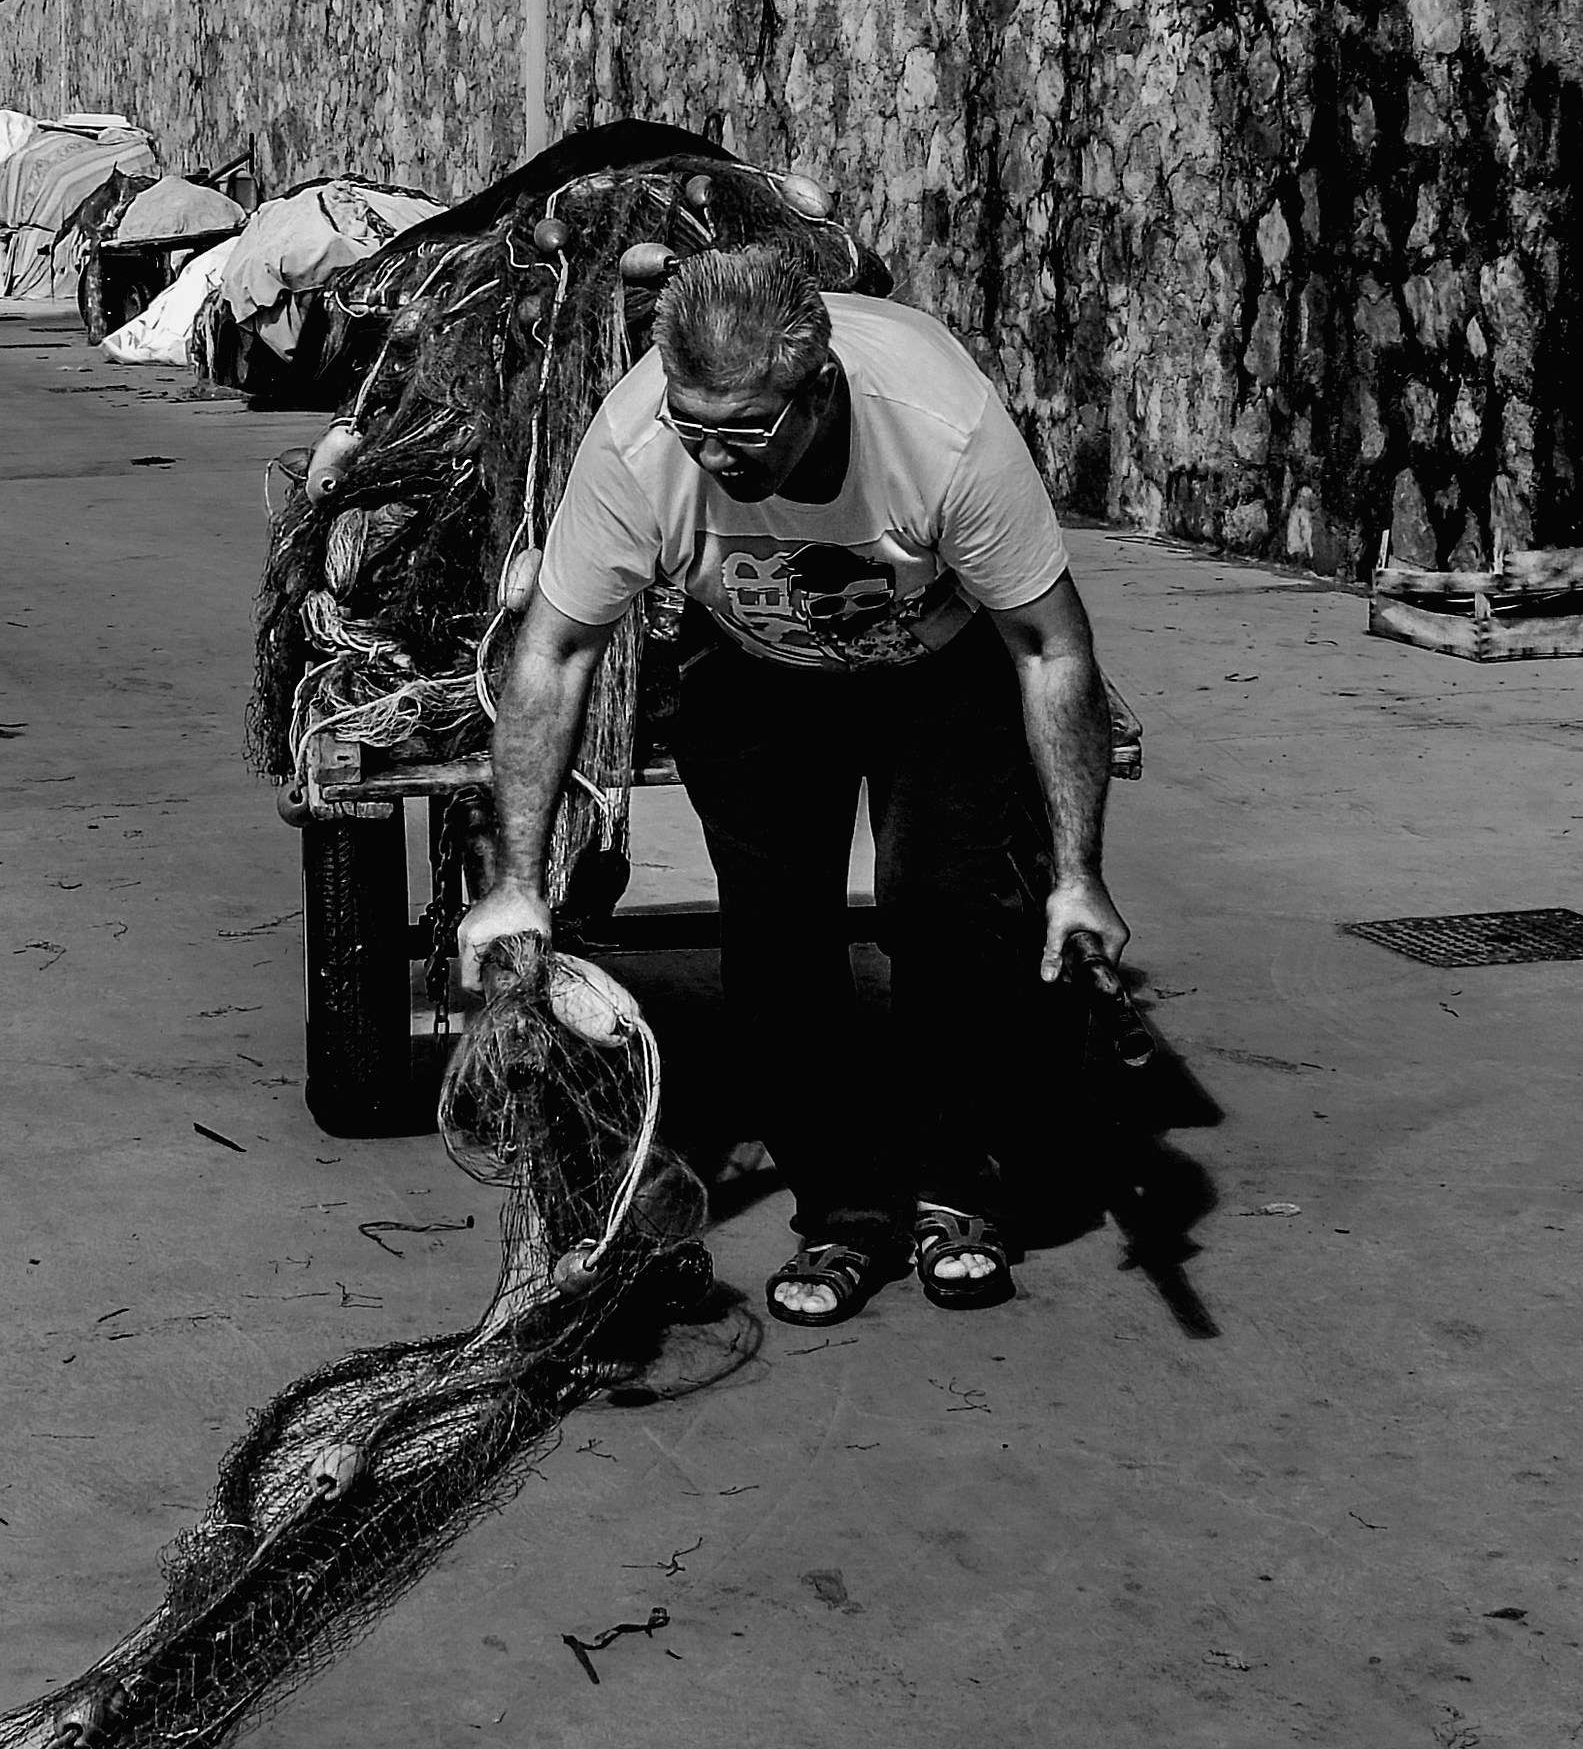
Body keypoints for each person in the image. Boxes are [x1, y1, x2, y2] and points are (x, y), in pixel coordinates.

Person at [457, 239, 1131, 1325]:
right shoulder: (638, 445)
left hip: (938, 660)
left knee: (948, 907)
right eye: (696, 424)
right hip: (754, 662)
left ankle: (953, 1184)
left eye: (745, 429)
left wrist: (1079, 873)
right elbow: (555, 653)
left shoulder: (940, 432)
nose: (716, 456)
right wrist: (517, 882)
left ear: (817, 389)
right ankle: (843, 1212)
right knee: (776, 932)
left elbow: (1051, 648)